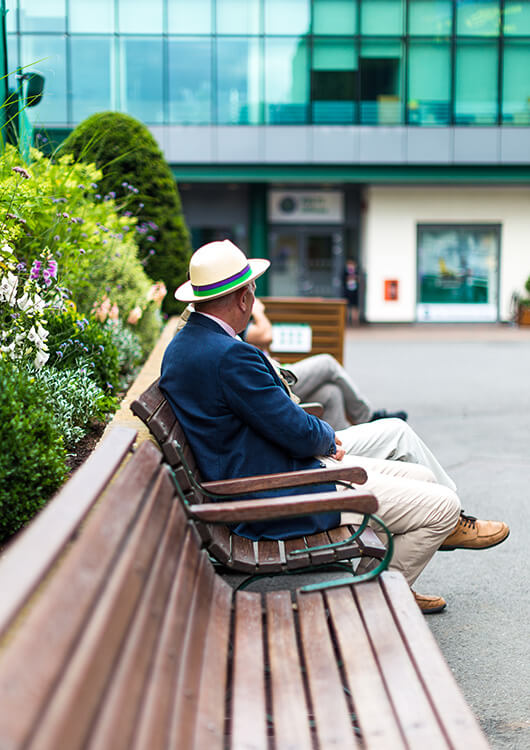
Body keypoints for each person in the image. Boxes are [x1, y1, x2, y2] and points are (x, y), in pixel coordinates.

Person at [160, 240, 509, 614]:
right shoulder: (229, 355)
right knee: (443, 505)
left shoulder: (184, 346)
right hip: (280, 495)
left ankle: (390, 581)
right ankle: (373, 599)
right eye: (252, 290)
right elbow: (294, 429)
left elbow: (274, 421)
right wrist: (327, 440)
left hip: (265, 480)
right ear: (244, 299)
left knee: (423, 478)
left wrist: (322, 443)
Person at [244, 296, 407, 429]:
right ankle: (367, 417)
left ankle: (348, 451)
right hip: (273, 382)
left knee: (331, 393)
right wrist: (258, 311)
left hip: (275, 373)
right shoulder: (236, 324)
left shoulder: (236, 323)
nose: (253, 292)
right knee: (327, 363)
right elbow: (266, 335)